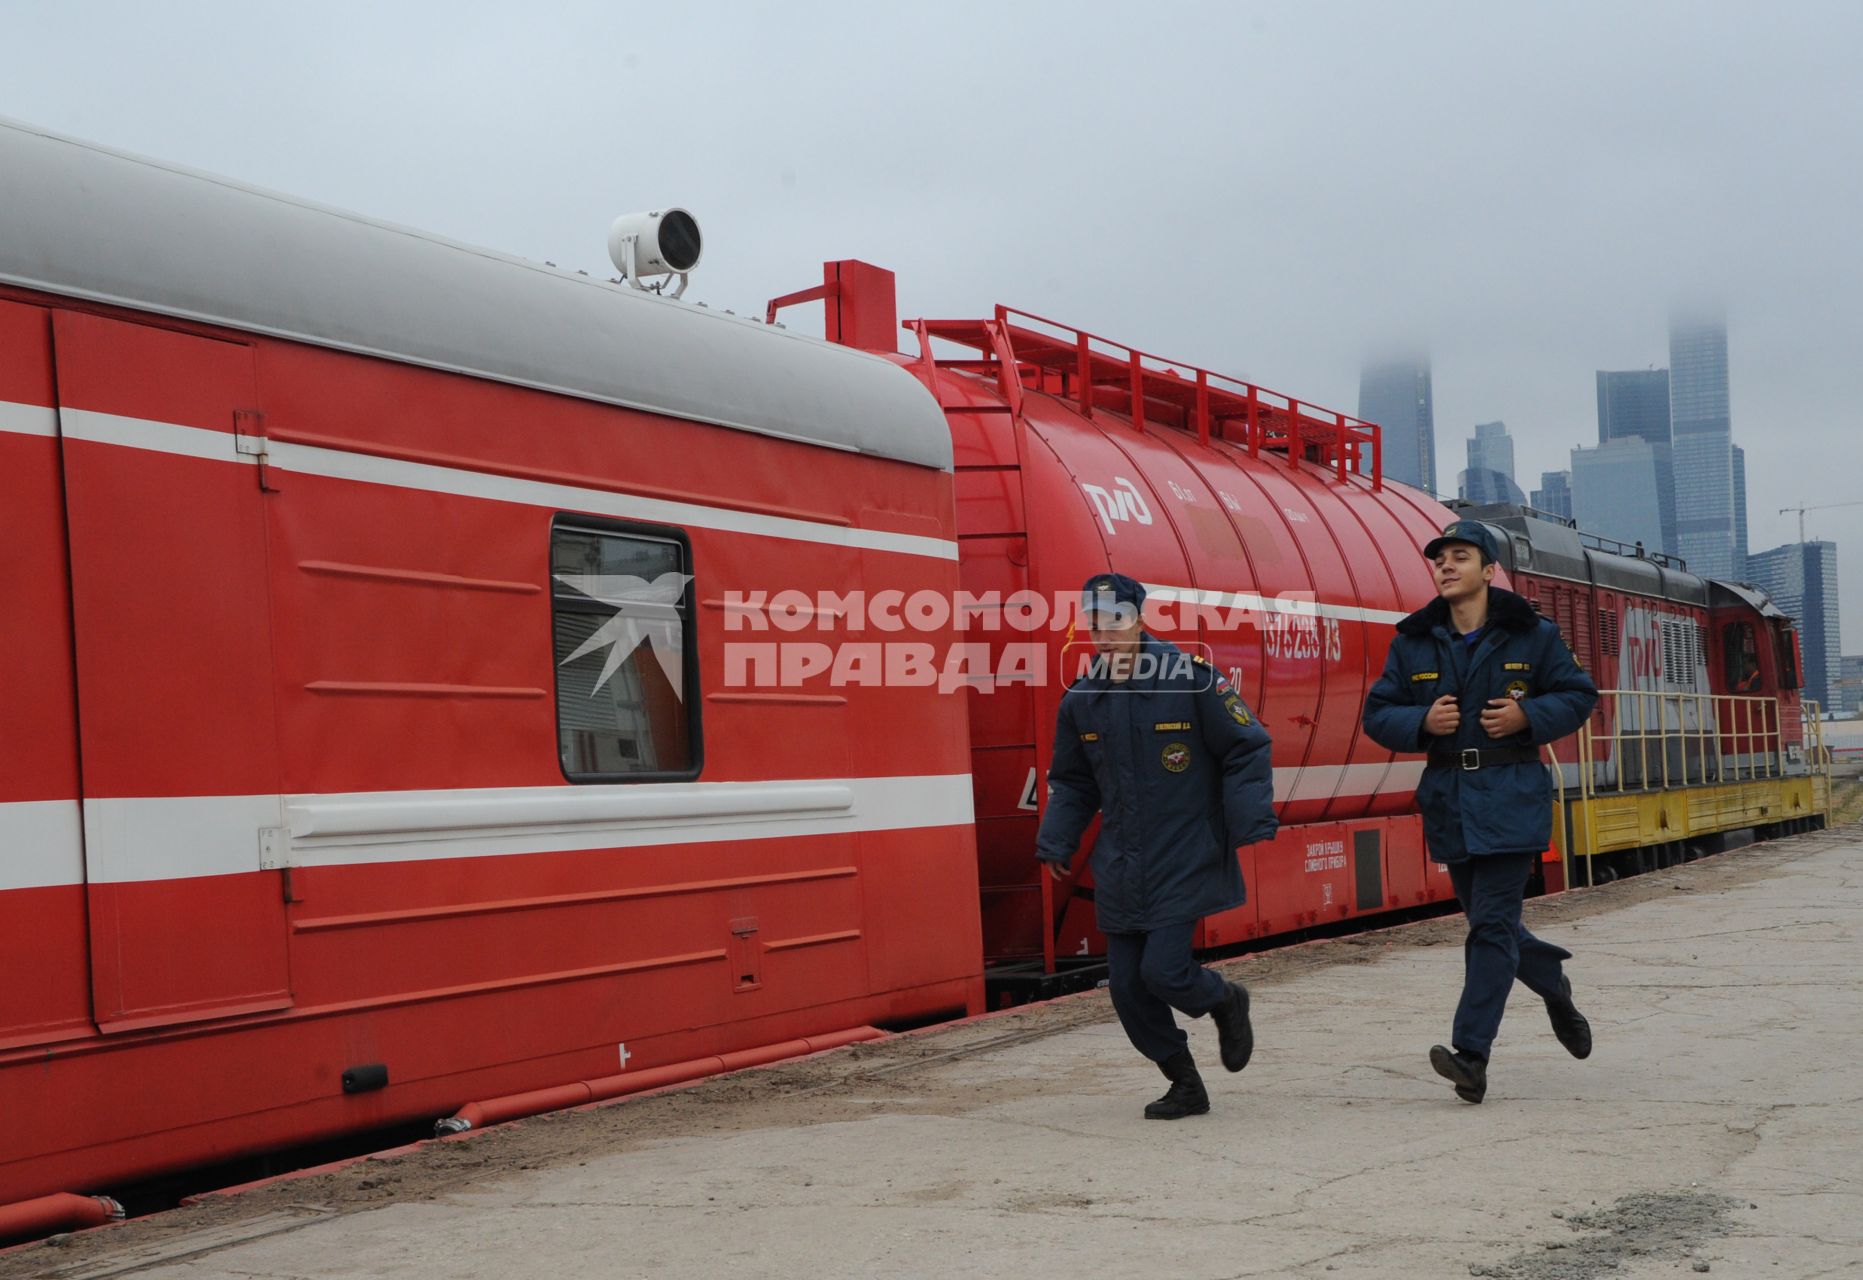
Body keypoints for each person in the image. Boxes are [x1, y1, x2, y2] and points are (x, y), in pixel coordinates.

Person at [1362, 520, 1599, 1104]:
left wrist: (1527, 718)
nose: (1445, 566)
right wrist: (1420, 723)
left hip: (1511, 791)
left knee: (1491, 926)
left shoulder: (1532, 635)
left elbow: (1578, 694)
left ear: (1489, 571)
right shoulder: (1413, 640)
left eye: (1459, 557)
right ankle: (1554, 986)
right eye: (1439, 559)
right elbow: (1377, 713)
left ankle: (1471, 1055)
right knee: (1495, 928)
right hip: (1449, 800)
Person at [1036, 572, 1277, 1119]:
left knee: (1163, 972)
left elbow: (1247, 747)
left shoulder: (1192, 682)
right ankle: (1185, 1083)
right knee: (1126, 988)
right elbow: (1074, 782)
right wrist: (1056, 839)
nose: (1103, 632)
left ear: (1139, 620)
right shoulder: (1082, 699)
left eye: (1113, 620)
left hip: (1185, 852)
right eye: (1093, 622)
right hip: (1122, 861)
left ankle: (1224, 999)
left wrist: (1248, 819)